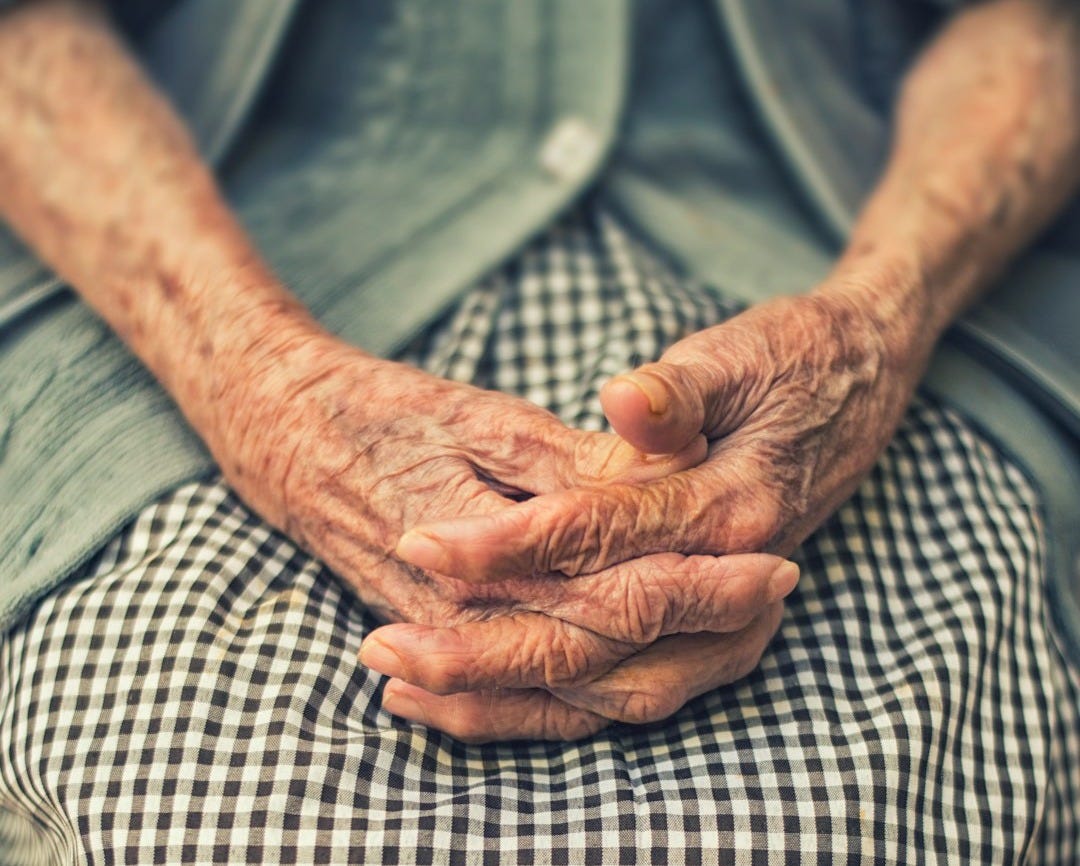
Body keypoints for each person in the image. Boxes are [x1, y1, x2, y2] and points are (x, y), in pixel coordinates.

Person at [0, 0, 1077, 862]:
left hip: (860, 279)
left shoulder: (864, 342)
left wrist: (878, 324)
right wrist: (261, 384)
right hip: (197, 291)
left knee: (868, 819)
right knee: (209, 819)